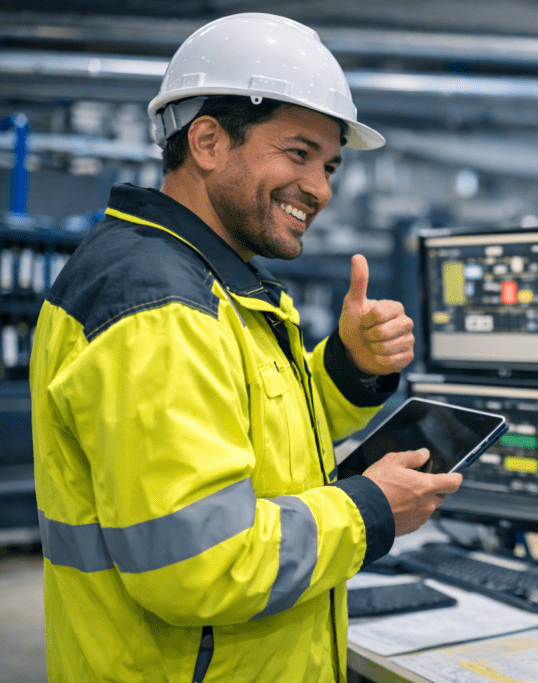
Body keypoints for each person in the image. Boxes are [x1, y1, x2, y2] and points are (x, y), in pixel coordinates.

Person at [29, 13, 461, 683]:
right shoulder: (160, 304)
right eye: (297, 153)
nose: (320, 188)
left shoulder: (211, 283)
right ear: (207, 140)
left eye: (329, 164)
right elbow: (198, 563)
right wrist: (370, 509)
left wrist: (348, 367)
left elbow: (249, 432)